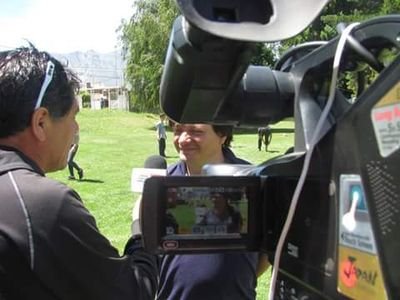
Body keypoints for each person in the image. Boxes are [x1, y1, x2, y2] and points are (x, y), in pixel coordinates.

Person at [0, 47, 158, 299]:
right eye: (74, 116)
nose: (76, 128)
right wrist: (142, 227)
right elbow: (133, 291)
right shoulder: (43, 205)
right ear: (41, 122)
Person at [157, 123, 270, 300]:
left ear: (222, 135)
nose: (183, 139)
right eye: (178, 130)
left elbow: (268, 251)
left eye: (196, 131)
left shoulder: (252, 181)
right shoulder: (162, 181)